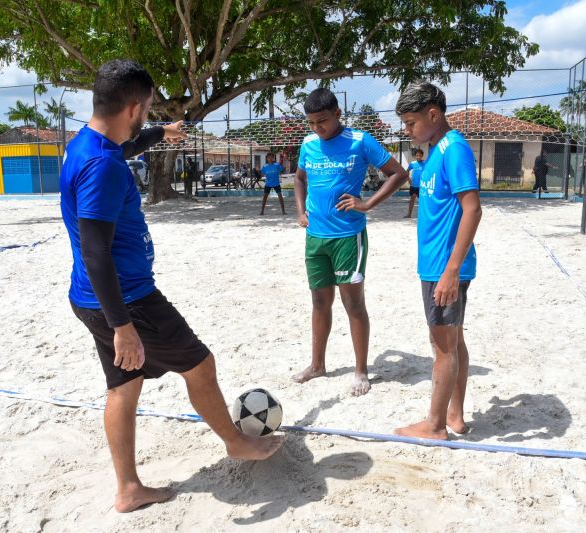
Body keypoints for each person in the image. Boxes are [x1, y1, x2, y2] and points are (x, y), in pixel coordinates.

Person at [59, 59, 283, 513]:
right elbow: (96, 251)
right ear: (135, 106)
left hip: (90, 299)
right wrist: (123, 324)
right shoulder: (103, 166)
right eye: (147, 111)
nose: (146, 117)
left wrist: (162, 132)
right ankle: (235, 441)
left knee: (123, 388)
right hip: (129, 302)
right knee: (199, 364)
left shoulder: (85, 146)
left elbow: (124, 146)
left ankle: (128, 489)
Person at [292, 88, 409, 396]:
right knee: (319, 302)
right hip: (315, 237)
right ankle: (317, 365)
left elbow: (398, 174)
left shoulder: (360, 141)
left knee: (353, 303)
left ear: (338, 114)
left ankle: (360, 371)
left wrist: (368, 204)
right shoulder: (308, 143)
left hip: (348, 237)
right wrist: (300, 211)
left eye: (323, 121)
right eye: (311, 123)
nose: (317, 128)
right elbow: (300, 177)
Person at [392, 82, 482, 440]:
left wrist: (451, 271)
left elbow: (473, 210)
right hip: (435, 265)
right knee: (454, 341)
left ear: (433, 114)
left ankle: (435, 426)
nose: (407, 129)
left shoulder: (454, 149)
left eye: (411, 122)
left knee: (443, 347)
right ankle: (455, 416)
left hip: (445, 268)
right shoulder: (436, 151)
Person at [405, 149, 425, 218]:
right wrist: (408, 180)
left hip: (422, 186)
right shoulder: (412, 163)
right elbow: (406, 171)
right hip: (414, 185)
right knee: (412, 199)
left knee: (422, 202)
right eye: (417, 155)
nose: (418, 156)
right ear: (415, 156)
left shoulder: (425, 163)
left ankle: (422, 216)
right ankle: (409, 214)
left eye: (420, 155)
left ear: (422, 156)